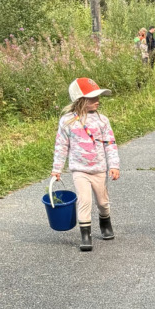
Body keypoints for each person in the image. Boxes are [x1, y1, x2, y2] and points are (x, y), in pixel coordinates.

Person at [52, 77, 120, 252]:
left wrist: (114, 165)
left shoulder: (102, 120)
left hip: (99, 169)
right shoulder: (67, 121)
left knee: (103, 202)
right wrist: (57, 169)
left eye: (98, 97)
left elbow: (110, 143)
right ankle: (85, 234)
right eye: (92, 98)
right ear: (80, 100)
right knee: (84, 200)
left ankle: (105, 223)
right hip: (79, 170)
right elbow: (61, 146)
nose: (97, 101)